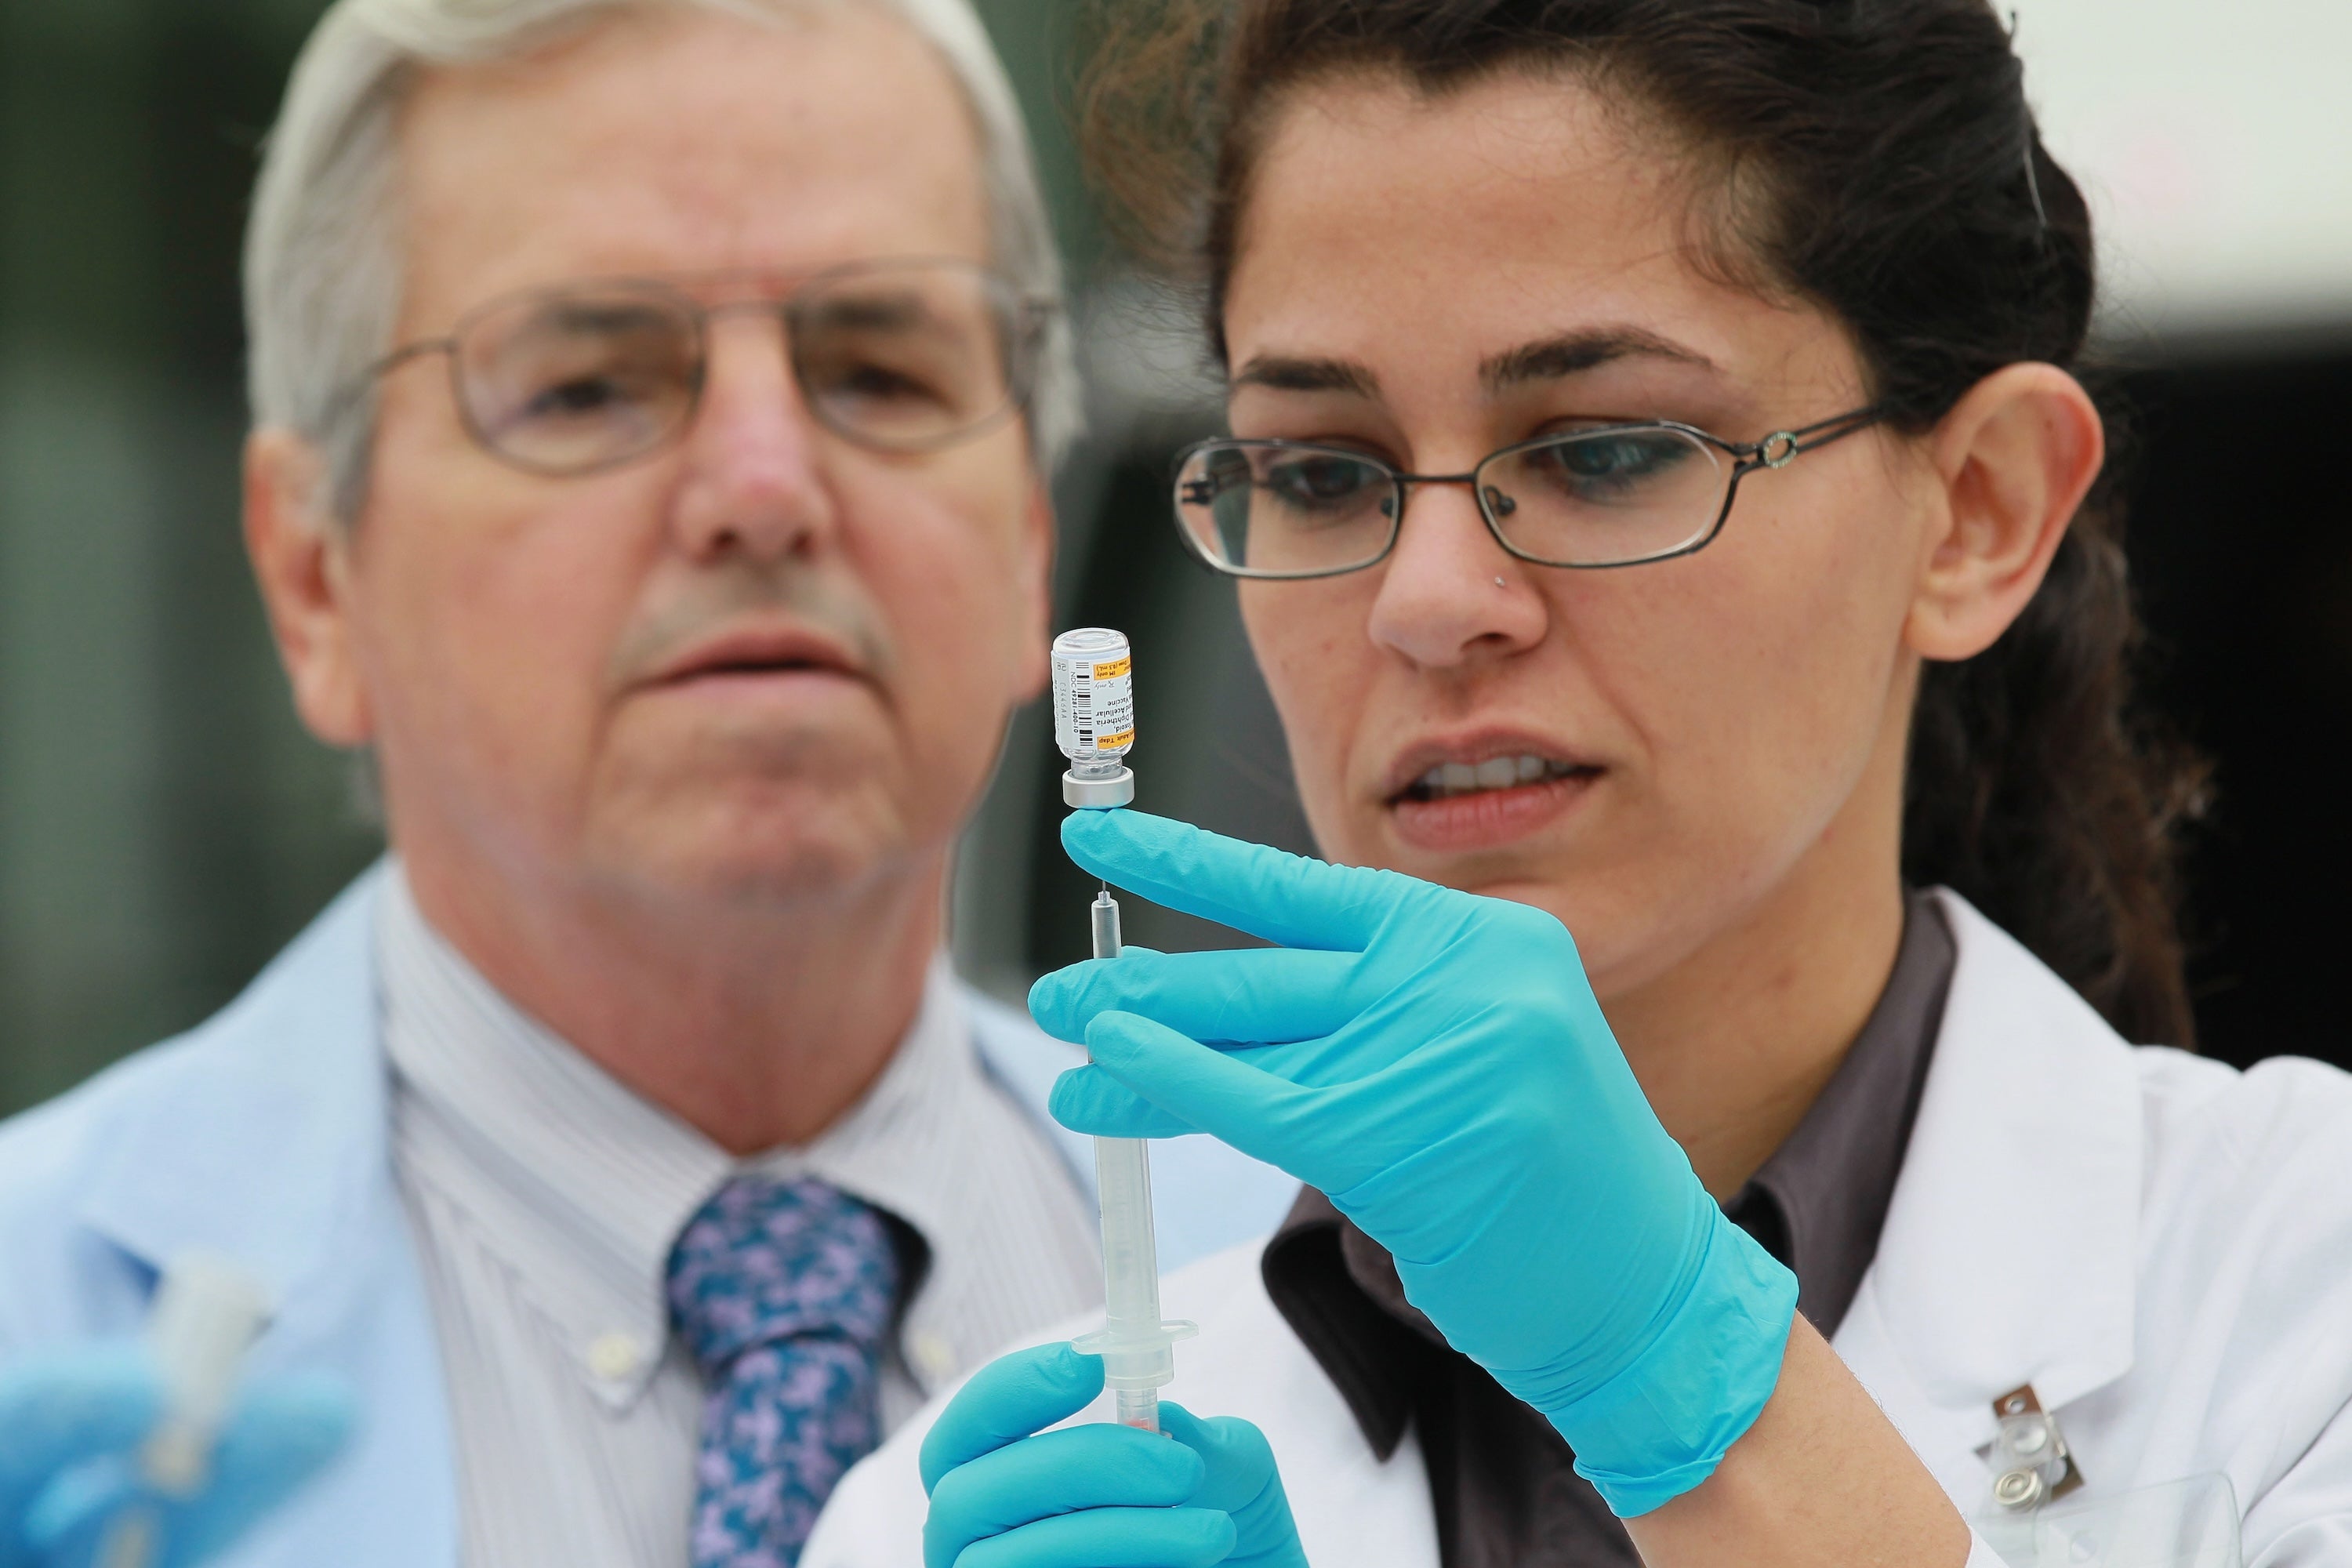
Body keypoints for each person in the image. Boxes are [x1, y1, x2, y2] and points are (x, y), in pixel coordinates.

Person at [806, 2, 2352, 1565]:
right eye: (1322, 470)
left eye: (1607, 447)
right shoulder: (988, 1499)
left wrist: (1674, 1360)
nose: (1428, 599)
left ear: (1976, 510)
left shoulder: (2300, 1298)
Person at [0, 1, 1296, 1565]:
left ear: (1027, 534)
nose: (764, 488)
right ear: (312, 579)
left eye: (879, 370)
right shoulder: (38, 1326)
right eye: (588, 386)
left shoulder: (1365, 1287)